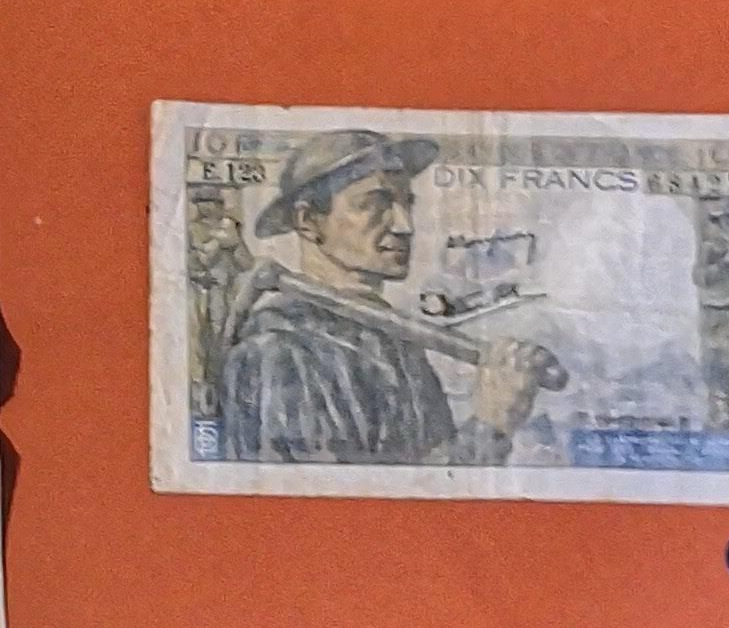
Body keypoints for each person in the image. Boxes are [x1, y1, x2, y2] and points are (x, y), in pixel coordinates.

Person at [215, 130, 555, 466]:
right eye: (375, 204)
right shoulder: (279, 353)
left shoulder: (398, 346)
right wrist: (489, 427)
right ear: (308, 221)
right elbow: (341, 499)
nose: (404, 225)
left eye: (406, 204)